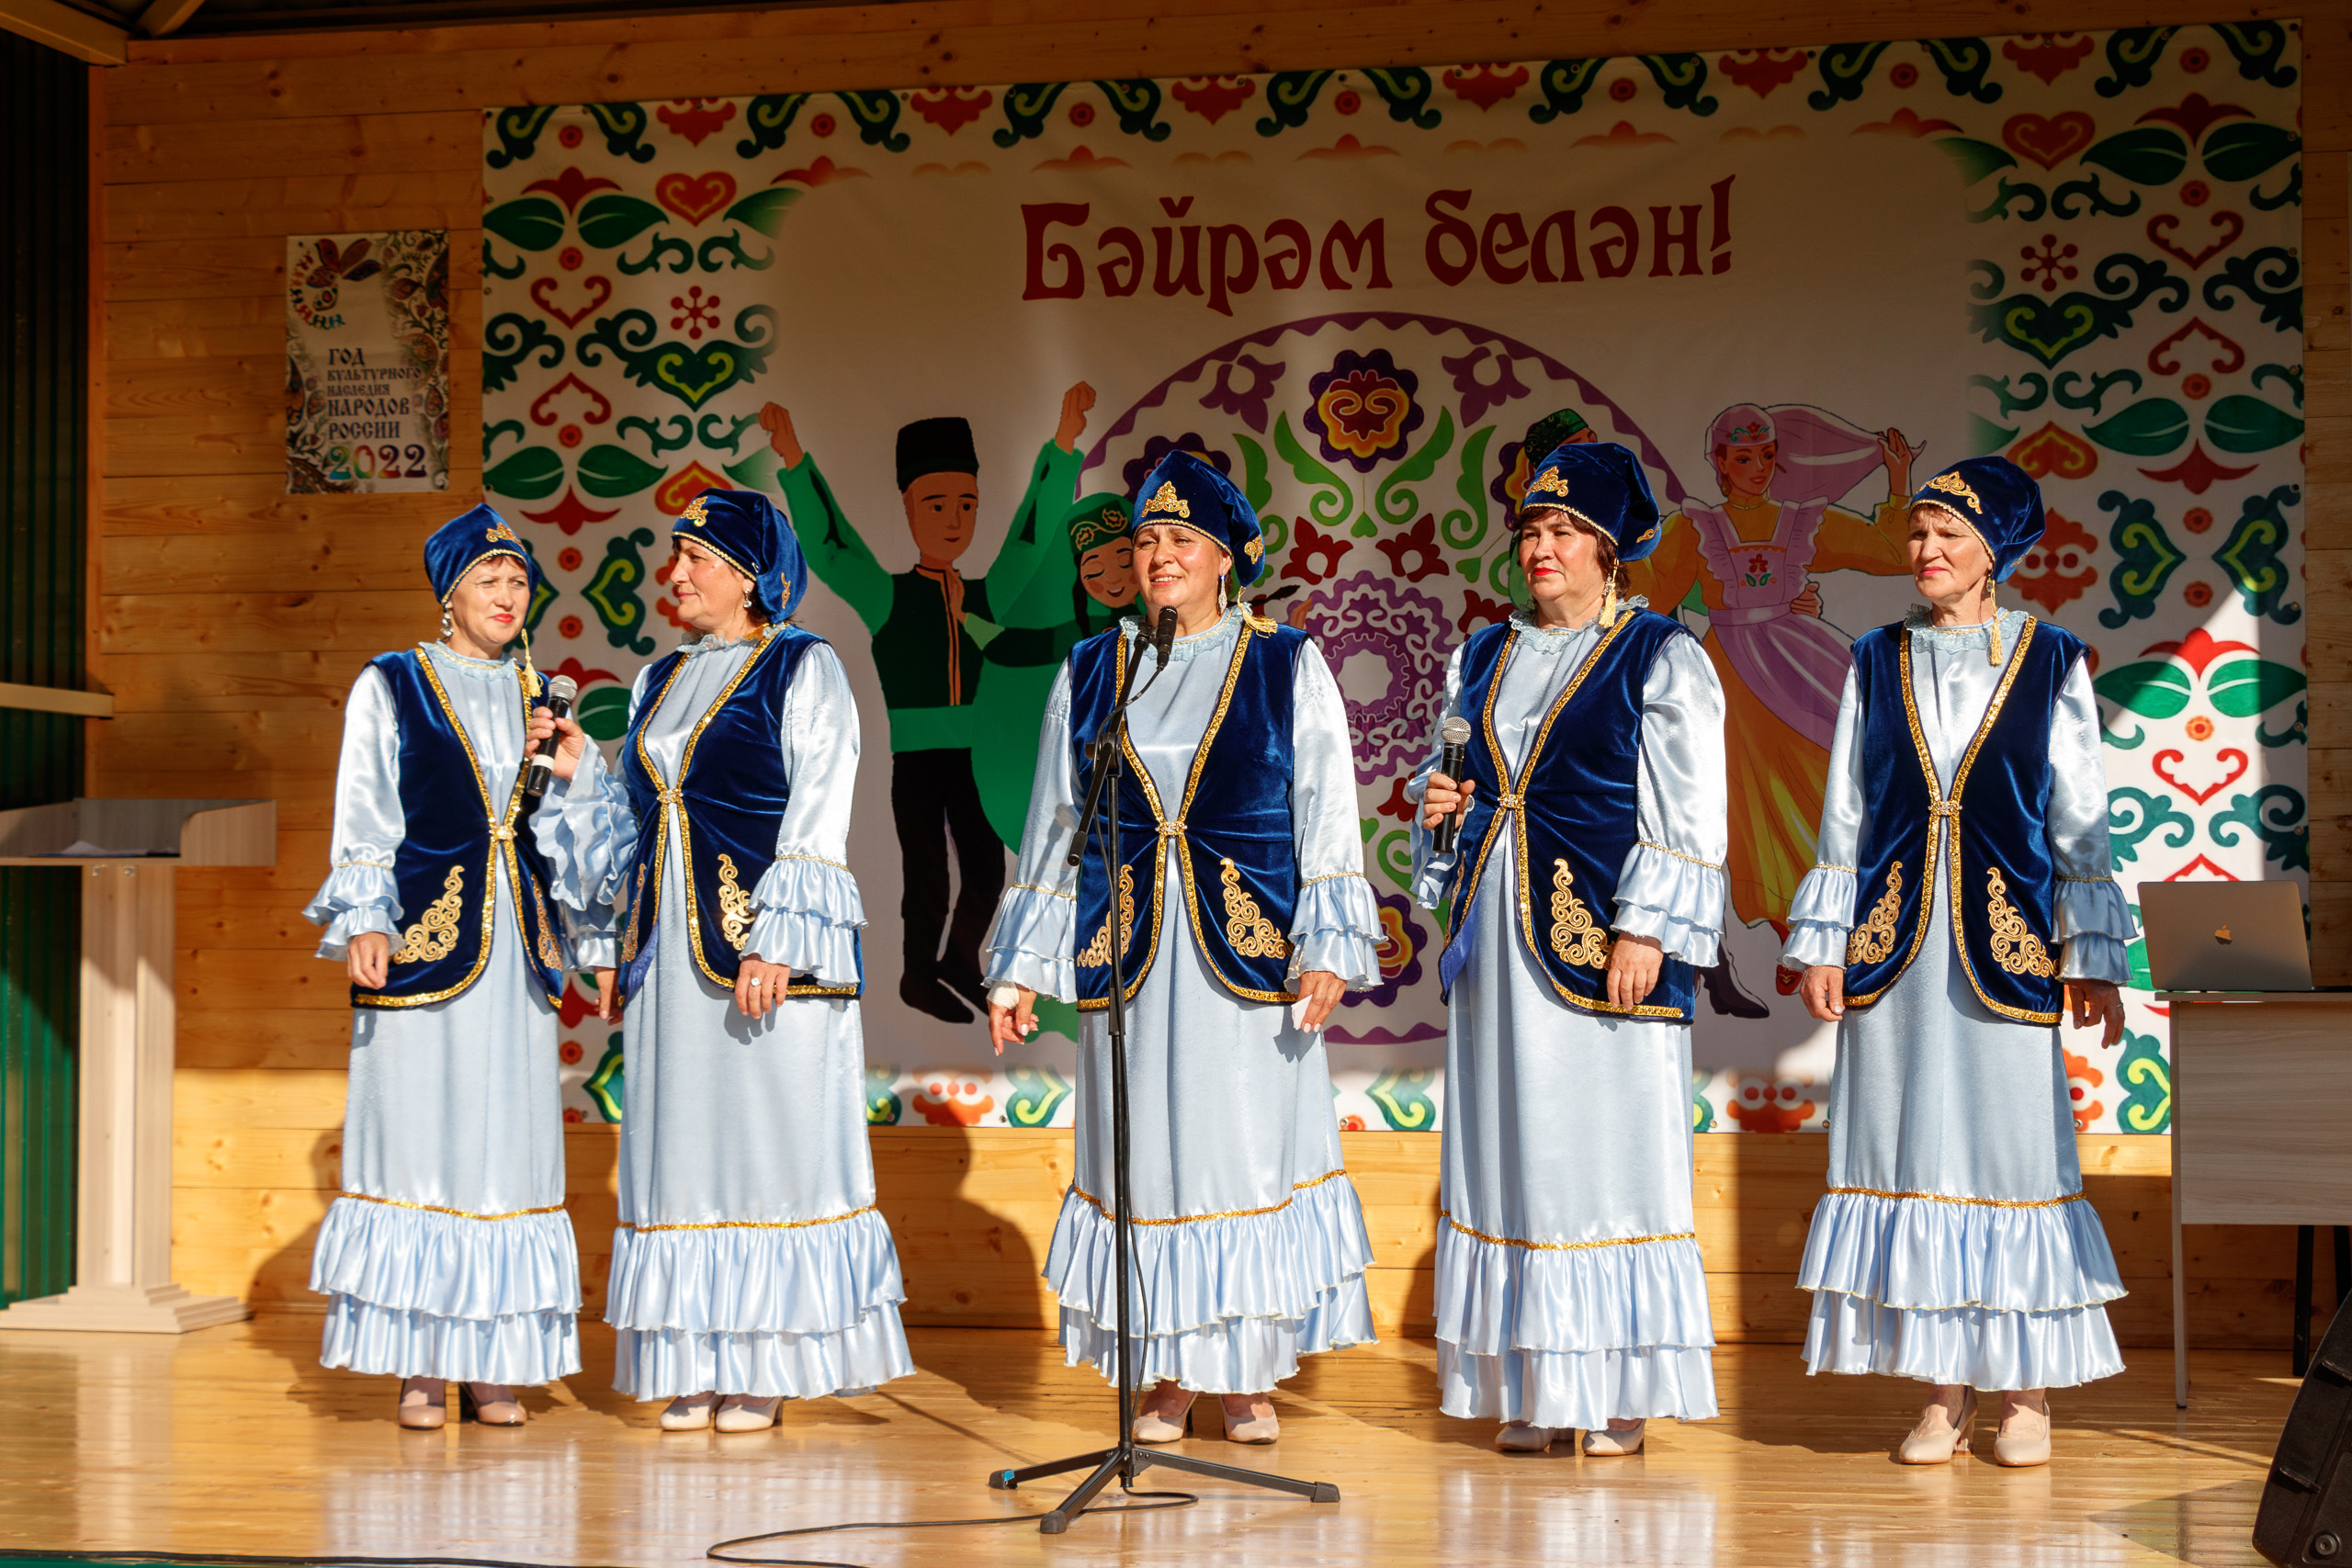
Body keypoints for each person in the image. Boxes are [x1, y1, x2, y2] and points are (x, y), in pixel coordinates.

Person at [981, 450, 1383, 1443]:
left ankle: (1242, 1374)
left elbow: (1325, 806)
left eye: (1181, 540)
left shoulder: (1284, 661)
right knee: (1142, 1157)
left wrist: (1328, 937)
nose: (1158, 555)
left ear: (1224, 560)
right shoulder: (1092, 671)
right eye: (1146, 539)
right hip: (1129, 955)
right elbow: (1052, 824)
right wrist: (1019, 965)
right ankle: (1164, 1370)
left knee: (1239, 1157)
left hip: (1245, 954)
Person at [534, 487, 914, 1432]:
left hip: (764, 952)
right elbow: (634, 822)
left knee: (767, 1148)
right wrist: (583, 769)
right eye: (675, 558)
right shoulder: (662, 681)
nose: (674, 575)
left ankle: (764, 1362)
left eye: (693, 559)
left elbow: (818, 810)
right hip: (676, 959)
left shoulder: (802, 667)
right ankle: (696, 1355)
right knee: (686, 1156)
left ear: (747, 576)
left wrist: (779, 938)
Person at [1782, 456, 2135, 1468]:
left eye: (1947, 534)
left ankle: (2023, 1391)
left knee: (2007, 1156)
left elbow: (2078, 815)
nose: (1926, 552)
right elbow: (1845, 808)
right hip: (1895, 945)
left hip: (2007, 943)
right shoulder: (1874, 658)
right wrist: (1823, 938)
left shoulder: (2050, 656)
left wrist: (2091, 955)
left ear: (1996, 550)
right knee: (1909, 1154)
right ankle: (1942, 1394)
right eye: (1916, 534)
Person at [1411, 442, 1728, 1455]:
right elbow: (1456, 776)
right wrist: (1442, 809)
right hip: (1499, 934)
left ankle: (1617, 1391)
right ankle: (1536, 1380)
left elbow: (1686, 807)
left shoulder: (1659, 653)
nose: (1538, 547)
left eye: (1561, 531)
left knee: (1604, 1149)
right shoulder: (1484, 655)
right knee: (1513, 1145)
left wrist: (1646, 926)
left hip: (1602, 933)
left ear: (1607, 549)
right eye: (1530, 531)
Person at [304, 504, 582, 1430]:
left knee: (507, 1145)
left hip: (517, 950)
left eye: (519, 581)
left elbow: (571, 828)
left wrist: (576, 778)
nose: (509, 596)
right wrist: (367, 915)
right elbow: (365, 804)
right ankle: (422, 1363)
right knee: (419, 1137)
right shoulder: (395, 683)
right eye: (489, 581)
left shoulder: (546, 695)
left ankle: (494, 1361)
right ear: (449, 594)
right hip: (425, 937)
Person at [758, 389, 1092, 1024]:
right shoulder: (889, 598)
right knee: (928, 879)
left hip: (976, 756)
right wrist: (795, 460)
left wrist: (1062, 448)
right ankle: (918, 973)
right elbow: (834, 548)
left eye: (965, 503)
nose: (952, 518)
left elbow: (1028, 533)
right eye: (935, 504)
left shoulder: (986, 594)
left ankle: (961, 961)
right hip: (917, 759)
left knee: (987, 875)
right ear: (909, 508)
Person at [1626, 405, 1917, 1011]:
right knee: (1746, 807)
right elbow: (1653, 596)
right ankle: (1793, 931)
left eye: (1765, 455)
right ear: (1720, 465)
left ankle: (1829, 925)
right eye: (1742, 458)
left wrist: (1898, 481)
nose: (1757, 468)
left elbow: (1892, 551)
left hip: (1799, 664)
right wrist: (1616, 534)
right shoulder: (1695, 529)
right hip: (1727, 680)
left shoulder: (1803, 521)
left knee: (1826, 789)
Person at [968, 491, 1143, 853]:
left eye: (1124, 560)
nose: (1112, 577)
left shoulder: (1165, 635)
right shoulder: (1079, 642)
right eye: (1094, 568)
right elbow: (1018, 646)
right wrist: (966, 620)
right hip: (1095, 775)